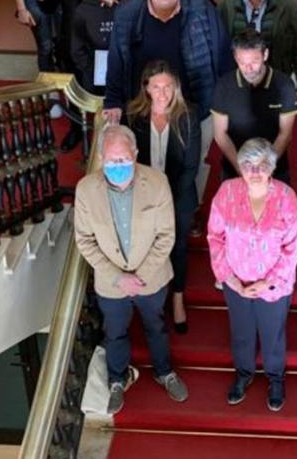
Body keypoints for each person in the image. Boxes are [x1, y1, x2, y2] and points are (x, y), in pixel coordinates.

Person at [73, 124, 189, 414]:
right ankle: (116, 380)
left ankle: (165, 372)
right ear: (100, 158)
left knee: (156, 326)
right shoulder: (86, 190)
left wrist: (139, 277)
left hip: (151, 279)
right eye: (112, 161)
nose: (118, 166)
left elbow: (166, 236)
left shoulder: (157, 182)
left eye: (124, 160)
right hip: (111, 284)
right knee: (115, 332)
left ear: (135, 154)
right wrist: (117, 278)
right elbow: (84, 241)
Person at [104, 0, 231, 196]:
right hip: (143, 103)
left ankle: (189, 206)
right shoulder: (128, 13)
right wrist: (113, 100)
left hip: (195, 101)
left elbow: (222, 53)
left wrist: (224, 101)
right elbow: (116, 59)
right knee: (148, 157)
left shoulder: (201, 7)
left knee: (193, 161)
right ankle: (150, 207)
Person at [206, 138, 297, 412]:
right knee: (241, 332)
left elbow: (293, 248)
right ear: (240, 167)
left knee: (273, 334)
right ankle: (244, 373)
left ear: (271, 167)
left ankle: (275, 378)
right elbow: (215, 237)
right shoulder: (226, 192)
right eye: (248, 165)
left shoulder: (286, 197)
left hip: (274, 285)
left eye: (262, 165)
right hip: (236, 283)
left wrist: (267, 282)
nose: (255, 172)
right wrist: (232, 280)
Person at [127, 61, 201, 334]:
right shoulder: (133, 116)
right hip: (144, 195)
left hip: (179, 193)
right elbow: (130, 162)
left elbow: (191, 166)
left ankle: (178, 297)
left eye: (168, 86)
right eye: (156, 86)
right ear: (146, 87)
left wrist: (168, 199)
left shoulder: (188, 115)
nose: (162, 92)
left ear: (176, 87)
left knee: (178, 246)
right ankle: (155, 295)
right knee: (147, 245)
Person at [210, 29, 297, 183]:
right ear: (235, 57)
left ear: (265, 55)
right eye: (242, 63)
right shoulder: (223, 86)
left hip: (274, 165)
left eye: (254, 62)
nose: (248, 69)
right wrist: (241, 168)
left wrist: (266, 169)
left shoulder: (284, 85)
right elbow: (220, 134)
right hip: (235, 165)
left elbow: (285, 134)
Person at [71, 0, 124, 95]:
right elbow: (77, 49)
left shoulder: (130, 6)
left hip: (125, 73)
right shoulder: (83, 9)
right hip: (95, 76)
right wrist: (91, 70)